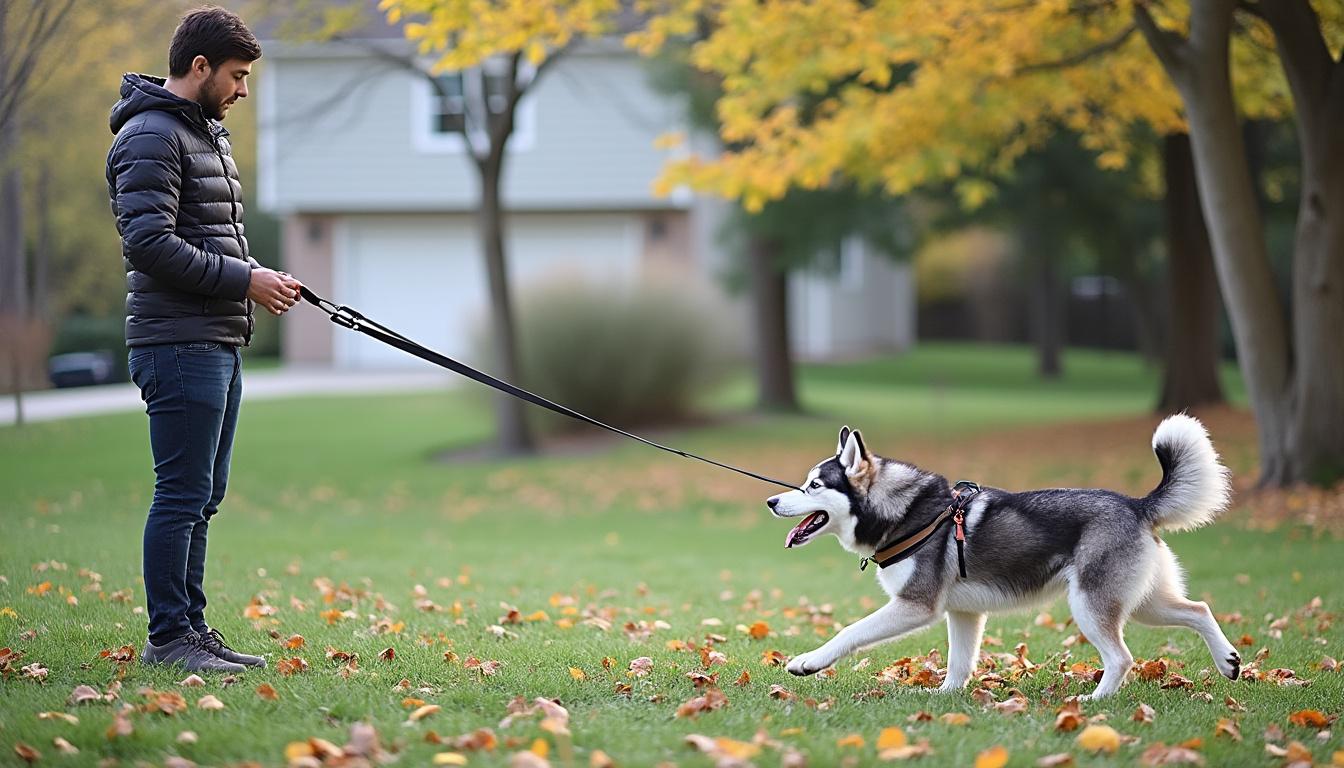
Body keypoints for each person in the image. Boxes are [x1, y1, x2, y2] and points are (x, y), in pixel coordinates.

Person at [107, 6, 300, 673]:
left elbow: (204, 235)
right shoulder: (151, 135)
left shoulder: (201, 133)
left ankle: (191, 629)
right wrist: (246, 279)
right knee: (182, 494)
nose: (243, 90)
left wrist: (256, 282)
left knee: (204, 495)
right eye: (237, 76)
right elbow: (149, 243)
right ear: (200, 68)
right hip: (178, 342)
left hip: (213, 337)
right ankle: (170, 640)